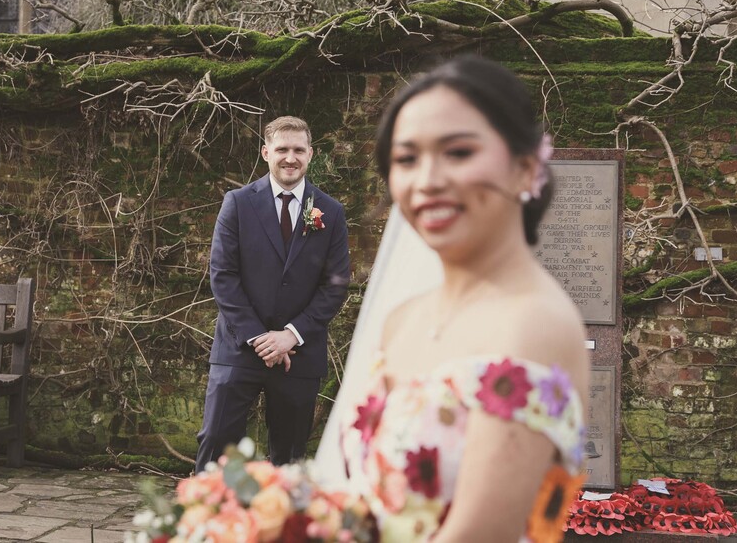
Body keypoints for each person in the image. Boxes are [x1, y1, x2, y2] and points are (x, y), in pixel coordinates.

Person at [319, 55, 591, 542]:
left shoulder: (533, 322)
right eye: (406, 159)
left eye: (459, 152)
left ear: (525, 168)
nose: (427, 181)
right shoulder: (401, 320)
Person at [196, 116, 351, 472]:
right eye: (282, 149)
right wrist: (258, 337)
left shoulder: (330, 212)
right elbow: (223, 275)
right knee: (215, 444)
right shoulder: (236, 203)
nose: (290, 157)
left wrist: (289, 336)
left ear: (310, 154)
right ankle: (206, 525)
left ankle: (277, 527)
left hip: (299, 353)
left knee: (289, 459)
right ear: (266, 153)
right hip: (238, 348)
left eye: (299, 150)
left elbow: (335, 285)